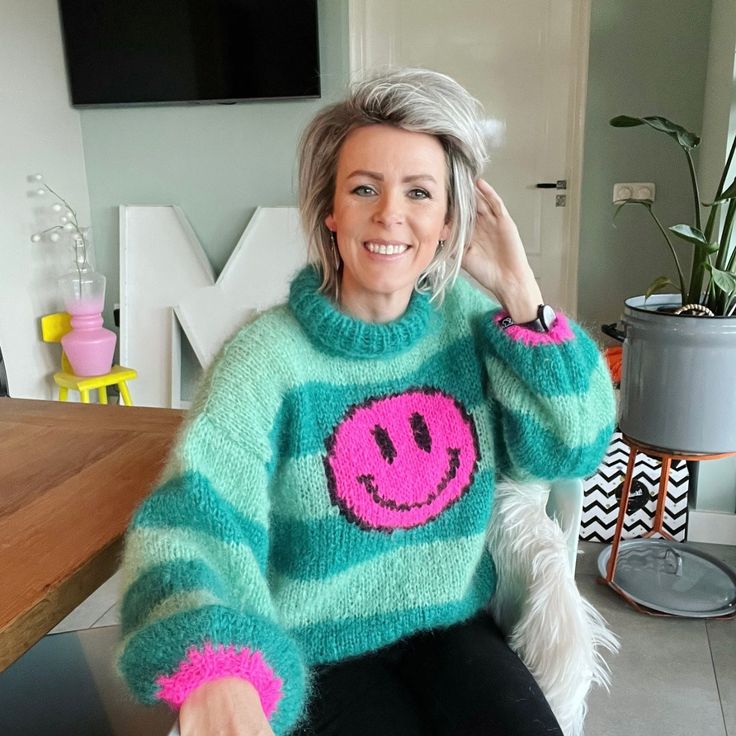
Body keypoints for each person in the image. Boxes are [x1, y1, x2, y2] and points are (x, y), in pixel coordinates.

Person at [116, 68, 616, 735]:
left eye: (419, 192)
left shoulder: (473, 320)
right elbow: (193, 518)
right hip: (321, 655)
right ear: (331, 211)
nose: (389, 215)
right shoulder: (266, 359)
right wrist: (214, 662)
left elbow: (573, 446)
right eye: (363, 189)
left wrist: (522, 294)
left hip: (451, 626)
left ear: (447, 222)